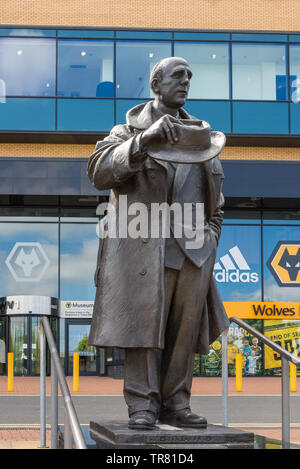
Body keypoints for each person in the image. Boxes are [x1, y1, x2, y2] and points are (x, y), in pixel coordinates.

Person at [87, 57, 229, 430]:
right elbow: (99, 171)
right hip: (142, 247)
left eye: (189, 76)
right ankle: (143, 405)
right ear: (156, 84)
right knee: (143, 330)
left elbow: (217, 201)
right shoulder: (126, 130)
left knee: (182, 333)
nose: (186, 82)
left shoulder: (204, 138)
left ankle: (177, 403)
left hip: (193, 252)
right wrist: (143, 141)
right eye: (178, 76)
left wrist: (210, 240)